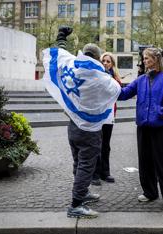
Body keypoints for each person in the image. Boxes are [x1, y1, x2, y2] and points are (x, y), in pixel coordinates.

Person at [43, 27, 121, 218]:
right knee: (86, 165)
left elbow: (60, 55)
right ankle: (76, 204)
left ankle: (83, 192)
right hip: (90, 130)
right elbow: (117, 90)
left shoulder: (71, 66)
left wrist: (61, 37)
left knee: (79, 162)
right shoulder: (100, 78)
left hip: (73, 126)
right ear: (97, 57)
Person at [118, 47, 163, 213]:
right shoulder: (141, 79)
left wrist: (159, 113)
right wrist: (108, 86)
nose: (144, 61)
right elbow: (124, 93)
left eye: (147, 58)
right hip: (143, 128)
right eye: (144, 58)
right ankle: (150, 192)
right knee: (145, 162)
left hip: (160, 127)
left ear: (155, 59)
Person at [91, 52, 122, 185]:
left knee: (106, 145)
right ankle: (95, 174)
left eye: (108, 61)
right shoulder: (96, 75)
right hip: (98, 114)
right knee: (96, 144)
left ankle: (106, 172)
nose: (105, 63)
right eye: (103, 61)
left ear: (112, 64)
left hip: (109, 115)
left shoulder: (115, 78)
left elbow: (119, 92)